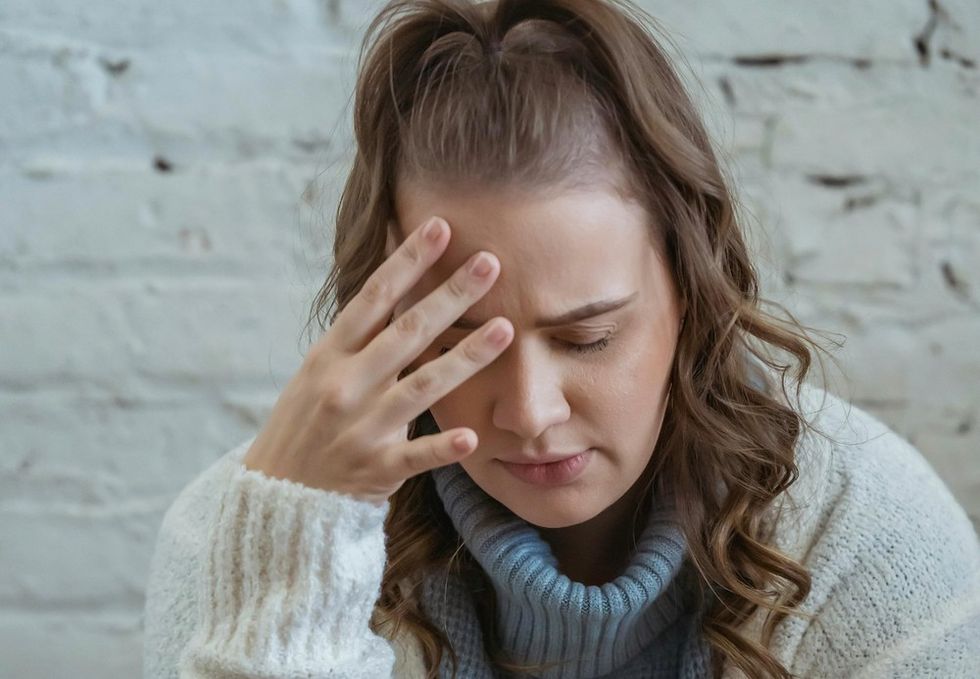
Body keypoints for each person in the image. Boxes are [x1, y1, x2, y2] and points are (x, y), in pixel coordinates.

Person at [141, 1, 980, 677]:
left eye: (588, 338)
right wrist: (296, 564)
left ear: (693, 296)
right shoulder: (233, 539)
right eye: (459, 344)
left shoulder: (866, 532)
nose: (530, 412)